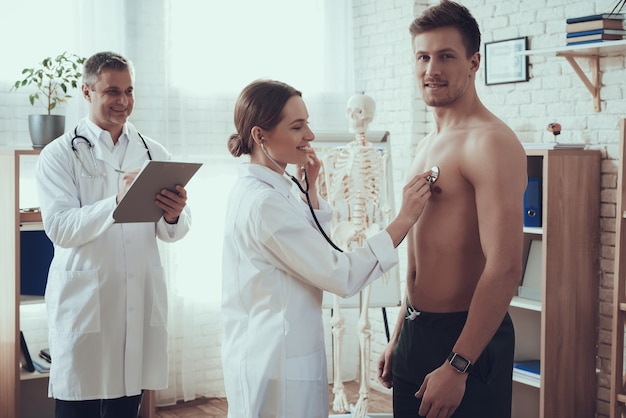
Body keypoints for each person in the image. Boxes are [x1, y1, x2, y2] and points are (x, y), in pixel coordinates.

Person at [221, 79, 433, 418]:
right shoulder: (264, 202)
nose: (310, 135)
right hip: (276, 360)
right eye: (297, 126)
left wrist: (312, 190)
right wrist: (404, 219)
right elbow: (341, 274)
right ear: (260, 136)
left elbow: (303, 244)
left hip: (277, 351)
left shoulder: (268, 190)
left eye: (307, 122)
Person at [377, 2, 528, 418]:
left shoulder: (489, 142)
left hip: (466, 339)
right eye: (423, 57)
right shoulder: (428, 144)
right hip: (416, 330)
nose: (431, 69)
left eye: (446, 56)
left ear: (474, 62)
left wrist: (458, 365)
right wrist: (401, 336)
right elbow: (423, 253)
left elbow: (505, 267)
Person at [35, 51, 191, 418]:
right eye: (112, 92)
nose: (123, 102)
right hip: (87, 300)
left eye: (129, 91)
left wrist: (173, 215)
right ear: (87, 93)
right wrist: (116, 202)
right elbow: (60, 228)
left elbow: (171, 234)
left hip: (136, 295)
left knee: (125, 406)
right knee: (78, 407)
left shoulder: (154, 152)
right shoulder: (60, 154)